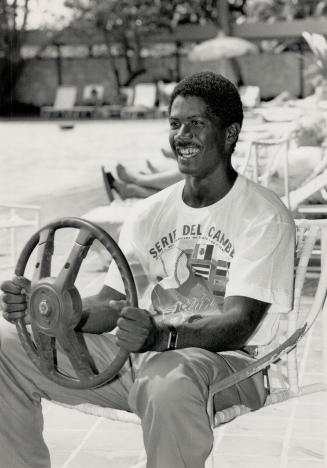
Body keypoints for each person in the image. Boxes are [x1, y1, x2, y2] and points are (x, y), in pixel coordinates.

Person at [0, 71, 295, 468]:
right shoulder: (148, 213)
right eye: (175, 123)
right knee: (6, 345)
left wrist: (163, 336)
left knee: (168, 379)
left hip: (230, 368)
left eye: (197, 123)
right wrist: (61, 309)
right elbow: (110, 303)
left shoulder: (263, 215)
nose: (182, 135)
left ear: (229, 134)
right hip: (142, 358)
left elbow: (238, 323)